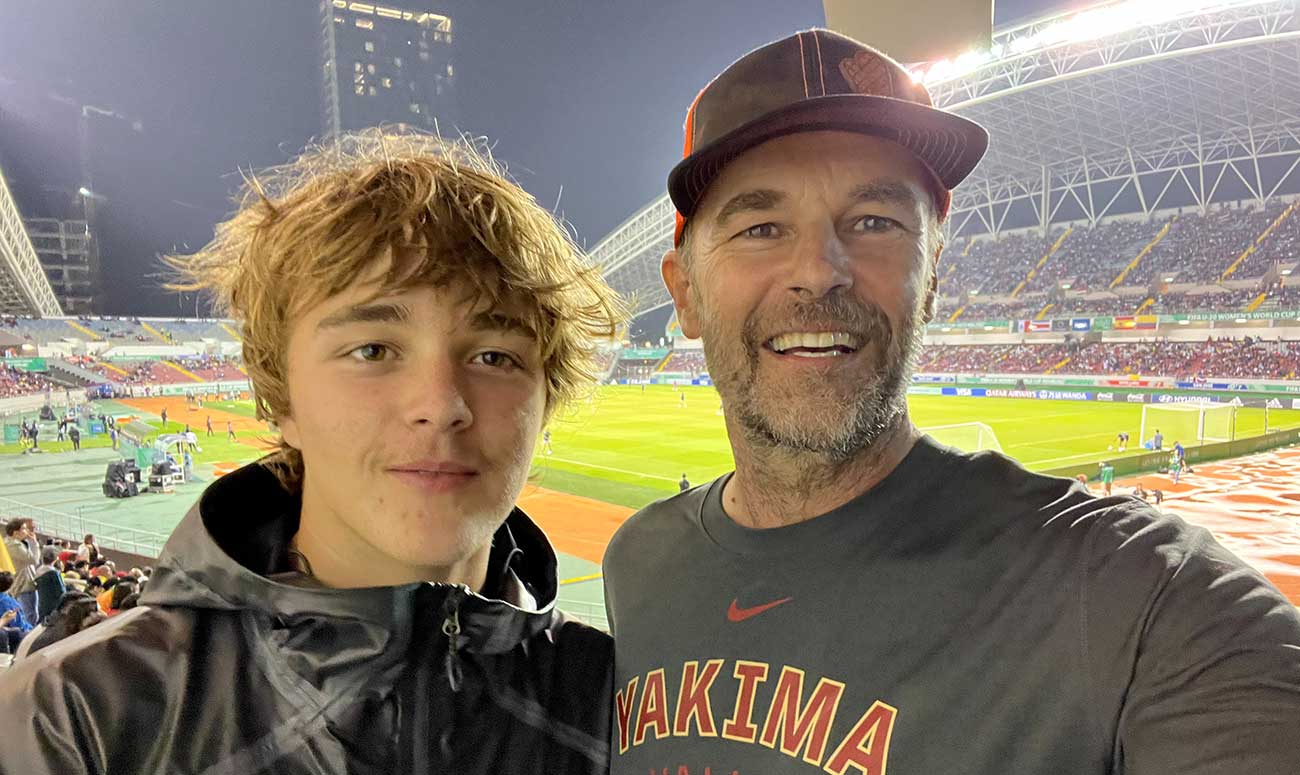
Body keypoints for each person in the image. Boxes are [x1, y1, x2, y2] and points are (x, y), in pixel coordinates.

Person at [601, 29, 1300, 775]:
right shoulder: (638, 563)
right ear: (684, 294)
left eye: (875, 221)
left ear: (932, 271)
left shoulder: (1134, 598)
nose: (819, 270)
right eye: (760, 226)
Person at [0, 129, 625, 773]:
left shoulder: (629, 706)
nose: (441, 404)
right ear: (281, 398)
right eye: (372, 351)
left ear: (545, 404)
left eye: (495, 356)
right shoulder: (75, 718)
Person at [2, 519, 39, 624]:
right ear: (15, 532)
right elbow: (34, 560)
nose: (27, 531)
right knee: (30, 615)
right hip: (23, 584)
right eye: (24, 528)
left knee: (30, 614)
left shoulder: (17, 543)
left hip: (23, 583)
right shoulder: (13, 545)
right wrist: (34, 543)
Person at [0, 571, 34, 655]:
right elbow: (19, 624)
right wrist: (4, 620)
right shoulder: (8, 602)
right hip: (22, 632)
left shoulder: (7, 601)